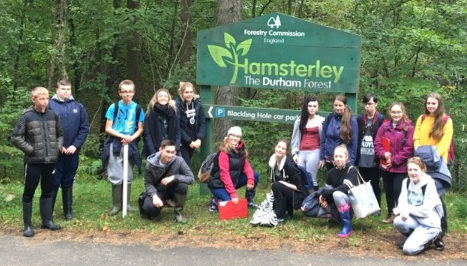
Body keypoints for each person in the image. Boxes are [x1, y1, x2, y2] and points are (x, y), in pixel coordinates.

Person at [11, 87, 63, 237]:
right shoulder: (26, 116)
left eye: (47, 98)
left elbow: (61, 135)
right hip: (33, 162)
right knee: (29, 193)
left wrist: (57, 149)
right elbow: (16, 137)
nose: (45, 101)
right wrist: (30, 150)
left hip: (50, 161)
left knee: (48, 191)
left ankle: (47, 221)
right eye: (42, 98)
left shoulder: (53, 114)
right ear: (34, 99)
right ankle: (27, 225)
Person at [413, 92, 453, 249]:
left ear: (439, 104)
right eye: (428, 103)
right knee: (421, 195)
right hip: (421, 163)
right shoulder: (421, 118)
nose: (430, 106)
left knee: (437, 195)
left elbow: (445, 142)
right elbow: (416, 137)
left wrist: (433, 156)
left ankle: (440, 231)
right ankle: (422, 228)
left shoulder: (446, 120)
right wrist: (418, 149)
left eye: (433, 103)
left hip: (438, 163)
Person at [48, 78, 90, 220]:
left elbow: (84, 128)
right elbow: (47, 129)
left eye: (68, 89)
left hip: (72, 152)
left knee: (68, 180)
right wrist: (59, 146)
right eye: (63, 89)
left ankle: (68, 212)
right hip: (55, 152)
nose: (65, 91)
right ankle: (48, 212)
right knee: (54, 181)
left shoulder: (78, 107)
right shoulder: (49, 105)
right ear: (57, 89)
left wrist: (75, 145)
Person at [102, 80, 144, 216]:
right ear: (120, 93)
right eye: (125, 91)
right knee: (116, 175)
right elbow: (108, 128)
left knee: (128, 175)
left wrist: (131, 137)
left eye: (130, 91)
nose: (127, 94)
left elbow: (140, 128)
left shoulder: (138, 108)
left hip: (130, 144)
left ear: (133, 93)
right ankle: (116, 205)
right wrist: (122, 135)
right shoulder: (113, 107)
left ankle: (127, 204)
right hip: (115, 143)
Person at [393, 157, 443, 256]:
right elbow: (402, 202)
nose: (412, 173)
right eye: (410, 170)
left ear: (422, 170)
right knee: (398, 221)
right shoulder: (406, 182)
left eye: (415, 170)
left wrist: (408, 209)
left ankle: (432, 238)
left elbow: (425, 211)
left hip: (429, 223)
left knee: (408, 250)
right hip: (415, 219)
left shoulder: (429, 184)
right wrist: (403, 210)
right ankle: (415, 238)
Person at [374, 102, 414, 224]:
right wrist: (384, 154)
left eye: (398, 112)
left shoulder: (409, 128)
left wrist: (394, 160)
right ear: (390, 113)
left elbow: (408, 149)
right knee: (389, 190)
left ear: (403, 113)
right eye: (393, 112)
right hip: (386, 165)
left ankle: (402, 214)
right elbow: (377, 144)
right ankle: (391, 214)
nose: (396, 114)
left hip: (400, 167)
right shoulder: (384, 127)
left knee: (398, 190)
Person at [141, 139, 194, 223]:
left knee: (183, 186)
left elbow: (191, 179)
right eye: (167, 151)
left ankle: (178, 213)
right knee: (149, 209)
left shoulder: (179, 161)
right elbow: (148, 183)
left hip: (172, 189)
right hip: (158, 190)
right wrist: (154, 196)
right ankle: (159, 204)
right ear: (161, 150)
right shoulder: (150, 164)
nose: (170, 155)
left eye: (172, 152)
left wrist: (174, 177)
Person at [208, 126, 259, 212]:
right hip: (218, 184)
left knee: (255, 175)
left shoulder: (240, 150)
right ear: (228, 136)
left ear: (240, 138)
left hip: (232, 182)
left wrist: (250, 180)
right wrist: (233, 194)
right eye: (233, 135)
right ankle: (215, 200)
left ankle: (249, 201)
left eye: (238, 136)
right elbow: (224, 174)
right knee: (231, 203)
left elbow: (247, 167)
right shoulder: (223, 152)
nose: (235, 138)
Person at [315, 144, 358, 238]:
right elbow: (327, 189)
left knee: (337, 194)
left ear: (346, 157)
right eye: (336, 156)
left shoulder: (352, 170)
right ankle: (336, 218)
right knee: (319, 212)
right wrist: (322, 198)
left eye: (341, 156)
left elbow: (345, 188)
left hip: (352, 203)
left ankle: (347, 225)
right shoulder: (331, 172)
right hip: (336, 202)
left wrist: (327, 192)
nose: (338, 159)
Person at [356, 93, 385, 214]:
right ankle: (366, 207)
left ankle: (376, 208)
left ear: (375, 104)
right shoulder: (359, 118)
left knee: (374, 183)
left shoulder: (381, 119)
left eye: (370, 104)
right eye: (366, 104)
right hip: (362, 156)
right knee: (363, 184)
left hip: (375, 157)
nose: (368, 106)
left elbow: (384, 138)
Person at [269, 140, 308, 223]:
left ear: (286, 151)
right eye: (278, 147)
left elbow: (300, 188)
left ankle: (280, 217)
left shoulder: (290, 165)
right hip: (285, 192)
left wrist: (282, 183)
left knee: (276, 185)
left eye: (283, 148)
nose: (280, 150)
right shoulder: (273, 162)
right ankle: (286, 209)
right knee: (270, 204)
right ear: (275, 147)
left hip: (297, 196)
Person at [291, 96, 324, 192]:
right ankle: (302, 200)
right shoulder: (299, 120)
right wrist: (294, 153)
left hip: (315, 151)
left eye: (314, 106)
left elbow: (324, 139)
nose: (312, 108)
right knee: (300, 176)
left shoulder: (321, 121)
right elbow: (294, 138)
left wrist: (322, 156)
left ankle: (313, 200)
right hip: (301, 152)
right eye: (310, 106)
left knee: (311, 178)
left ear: (317, 107)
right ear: (306, 107)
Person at [320, 94, 358, 170]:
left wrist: (351, 162)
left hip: (343, 160)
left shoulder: (351, 120)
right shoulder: (329, 117)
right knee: (331, 180)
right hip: (329, 159)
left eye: (340, 105)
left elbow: (354, 143)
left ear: (345, 106)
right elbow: (324, 138)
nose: (337, 108)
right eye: (335, 105)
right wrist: (322, 157)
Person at [175, 82, 206, 166]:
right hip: (181, 142)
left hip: (193, 141)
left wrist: (199, 138)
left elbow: (202, 123)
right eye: (186, 92)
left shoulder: (197, 105)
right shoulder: (177, 106)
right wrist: (189, 141)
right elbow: (177, 126)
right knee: (186, 167)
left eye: (191, 92)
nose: (189, 94)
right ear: (182, 93)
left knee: (184, 168)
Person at [143, 88, 180, 157]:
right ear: (156, 98)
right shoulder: (149, 114)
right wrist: (153, 153)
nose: (163, 98)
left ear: (168, 98)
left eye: (165, 96)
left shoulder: (174, 112)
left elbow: (177, 132)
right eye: (161, 96)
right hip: (155, 150)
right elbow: (147, 135)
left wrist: (176, 149)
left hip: (171, 151)